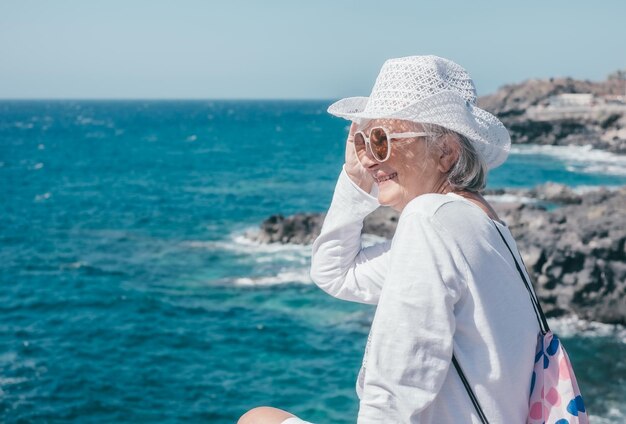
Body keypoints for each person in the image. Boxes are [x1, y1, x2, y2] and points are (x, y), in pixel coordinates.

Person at [238, 55, 539, 423]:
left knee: (257, 419)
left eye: (382, 140)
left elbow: (397, 385)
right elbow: (336, 273)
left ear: (446, 152)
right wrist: (355, 179)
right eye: (363, 141)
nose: (368, 158)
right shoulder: (482, 225)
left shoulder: (428, 218)